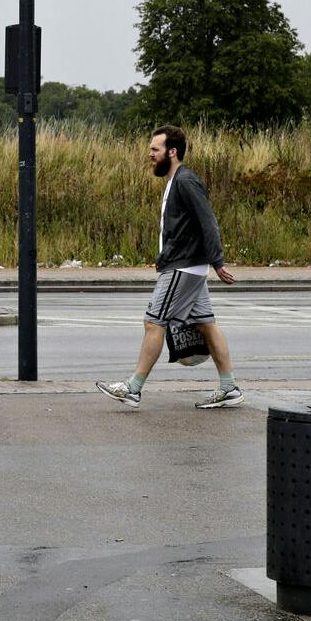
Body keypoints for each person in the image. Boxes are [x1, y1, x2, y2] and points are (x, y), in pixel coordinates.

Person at [96, 125, 244, 409]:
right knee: (205, 323)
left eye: (155, 149)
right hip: (187, 266)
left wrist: (217, 260)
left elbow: (208, 221)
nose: (150, 154)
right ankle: (229, 387)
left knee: (154, 322)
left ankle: (133, 389)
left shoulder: (186, 181)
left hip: (183, 267)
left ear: (171, 152)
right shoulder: (175, 180)